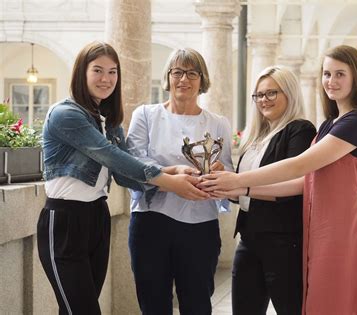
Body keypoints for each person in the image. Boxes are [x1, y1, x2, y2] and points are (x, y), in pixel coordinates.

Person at [202, 45, 357, 314]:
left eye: (340, 74)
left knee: (335, 303)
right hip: (316, 228)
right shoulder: (331, 123)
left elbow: (299, 165)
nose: (331, 81)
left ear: (356, 78)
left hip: (339, 230)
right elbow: (306, 183)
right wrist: (241, 187)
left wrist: (237, 179)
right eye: (327, 74)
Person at [36, 41, 208, 315]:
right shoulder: (65, 114)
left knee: (77, 307)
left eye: (113, 72)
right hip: (65, 220)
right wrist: (169, 182)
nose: (106, 79)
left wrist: (172, 171)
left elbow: (124, 173)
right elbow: (110, 156)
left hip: (97, 217)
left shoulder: (107, 119)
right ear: (81, 72)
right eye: (98, 70)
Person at [126, 48, 233, 315]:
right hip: (151, 222)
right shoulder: (146, 115)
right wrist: (174, 176)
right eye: (177, 72)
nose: (183, 79)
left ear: (202, 79)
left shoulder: (218, 124)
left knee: (197, 303)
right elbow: (134, 166)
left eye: (192, 73)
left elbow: (229, 169)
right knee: (153, 303)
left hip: (200, 225)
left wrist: (219, 171)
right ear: (168, 77)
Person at [229, 65, 315, 315]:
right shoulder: (256, 137)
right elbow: (244, 193)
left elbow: (297, 185)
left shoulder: (300, 129)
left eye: (271, 93)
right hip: (248, 238)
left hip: (283, 241)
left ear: (289, 93)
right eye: (258, 95)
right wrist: (220, 186)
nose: (263, 100)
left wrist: (239, 185)